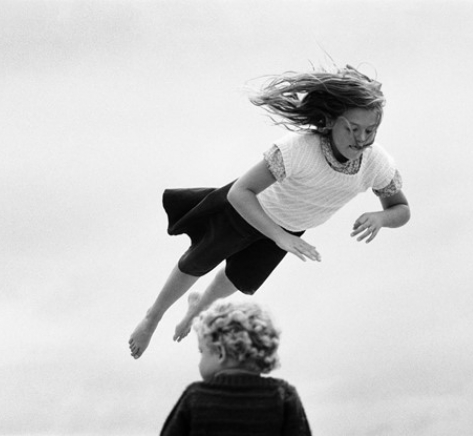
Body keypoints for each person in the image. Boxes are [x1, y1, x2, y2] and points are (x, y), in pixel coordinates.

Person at [129, 64, 410, 359]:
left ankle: (195, 311)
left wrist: (381, 218)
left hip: (289, 229)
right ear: (329, 121)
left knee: (238, 280)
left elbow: (401, 209)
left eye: (371, 130)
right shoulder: (299, 150)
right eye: (353, 129)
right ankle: (153, 317)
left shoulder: (375, 163)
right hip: (246, 212)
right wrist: (279, 237)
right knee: (197, 263)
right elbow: (240, 192)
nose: (361, 139)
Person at [160, 299, 312, 436]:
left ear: (220, 352)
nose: (199, 362)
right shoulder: (283, 396)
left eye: (202, 351)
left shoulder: (195, 397)